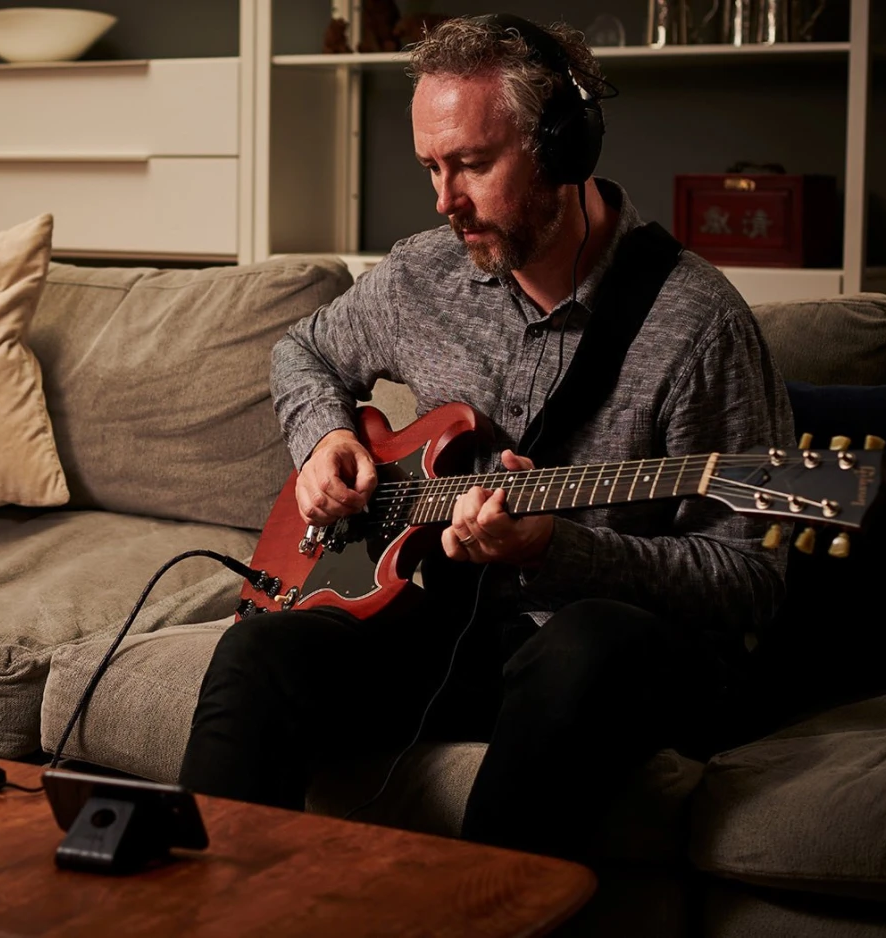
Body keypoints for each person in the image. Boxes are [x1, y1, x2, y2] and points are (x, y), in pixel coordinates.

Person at [177, 14, 794, 860]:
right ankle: (201, 903)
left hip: (603, 657)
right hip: (449, 627)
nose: (445, 201)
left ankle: (482, 909)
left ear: (562, 147)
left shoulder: (698, 326)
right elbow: (303, 351)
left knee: (584, 644)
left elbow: (751, 580)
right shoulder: (420, 275)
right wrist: (323, 440)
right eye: (432, 167)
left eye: (471, 164)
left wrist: (557, 549)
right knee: (260, 653)